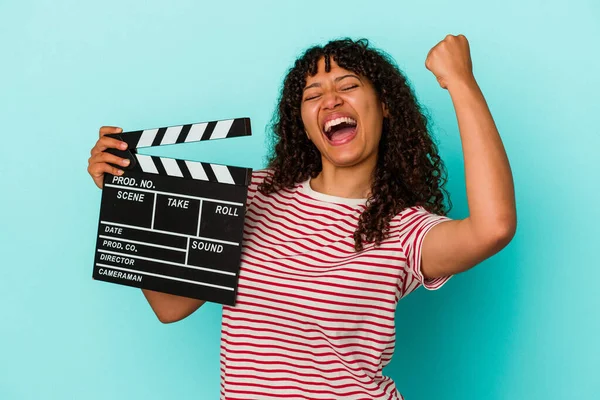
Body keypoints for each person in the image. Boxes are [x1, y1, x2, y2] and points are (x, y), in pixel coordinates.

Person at [87, 35, 516, 400]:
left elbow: (493, 228)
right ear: (305, 125)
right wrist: (126, 198)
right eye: (313, 95)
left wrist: (460, 82)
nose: (330, 100)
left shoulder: (405, 229)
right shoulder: (253, 195)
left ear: (384, 106)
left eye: (347, 85)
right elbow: (171, 304)